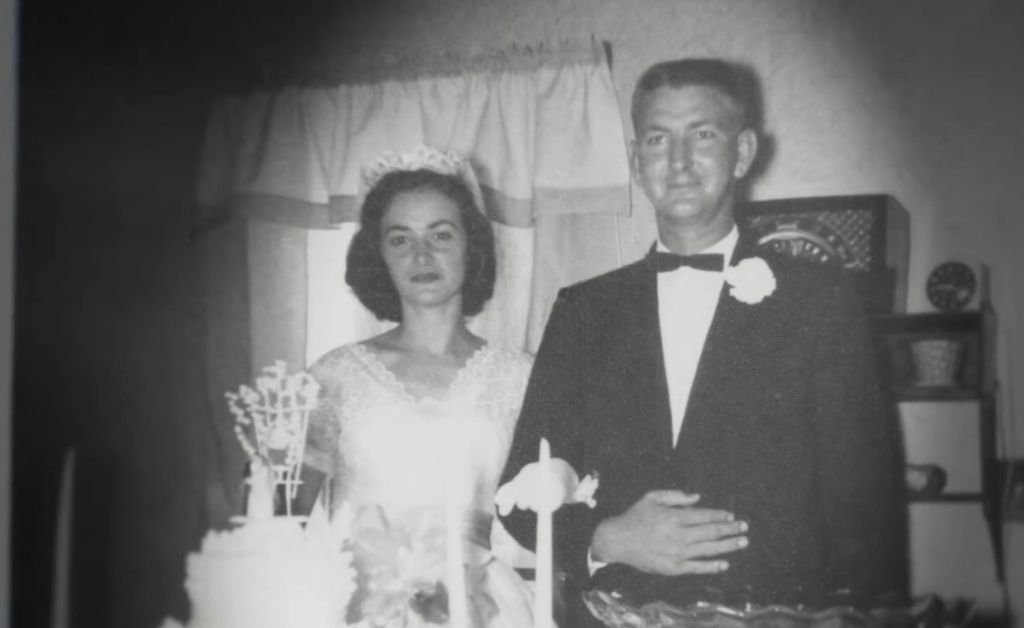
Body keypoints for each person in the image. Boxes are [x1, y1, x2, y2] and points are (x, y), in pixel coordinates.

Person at [498, 58, 908, 625]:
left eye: (703, 135)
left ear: (742, 153)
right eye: (659, 139)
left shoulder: (821, 301)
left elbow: (867, 508)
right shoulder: (583, 311)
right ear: (636, 159)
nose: (680, 162)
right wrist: (607, 537)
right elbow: (518, 493)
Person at [296, 147, 536, 627]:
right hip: (360, 607)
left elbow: (540, 524)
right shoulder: (333, 376)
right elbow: (280, 519)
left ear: (473, 245)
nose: (421, 255)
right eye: (399, 238)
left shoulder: (523, 376)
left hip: (483, 607)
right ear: (377, 254)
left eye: (441, 235)